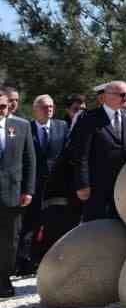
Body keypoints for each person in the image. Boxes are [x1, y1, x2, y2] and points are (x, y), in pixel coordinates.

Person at [66, 81, 126, 222]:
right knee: (95, 228)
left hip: (123, 185)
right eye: (121, 94)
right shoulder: (89, 118)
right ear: (106, 96)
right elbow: (81, 154)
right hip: (96, 186)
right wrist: (83, 185)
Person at [17, 95, 69, 276]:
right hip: (33, 183)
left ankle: (47, 261)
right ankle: (24, 264)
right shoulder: (26, 128)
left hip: (57, 185)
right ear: (35, 109)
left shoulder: (62, 126)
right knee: (29, 223)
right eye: (45, 107)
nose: (49, 109)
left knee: (54, 223)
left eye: (51, 106)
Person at [0, 91, 36, 296]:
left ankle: (4, 280)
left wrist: (28, 190)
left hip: (12, 193)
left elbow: (30, 160)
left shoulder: (21, 126)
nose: (1, 110)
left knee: (10, 241)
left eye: (3, 106)